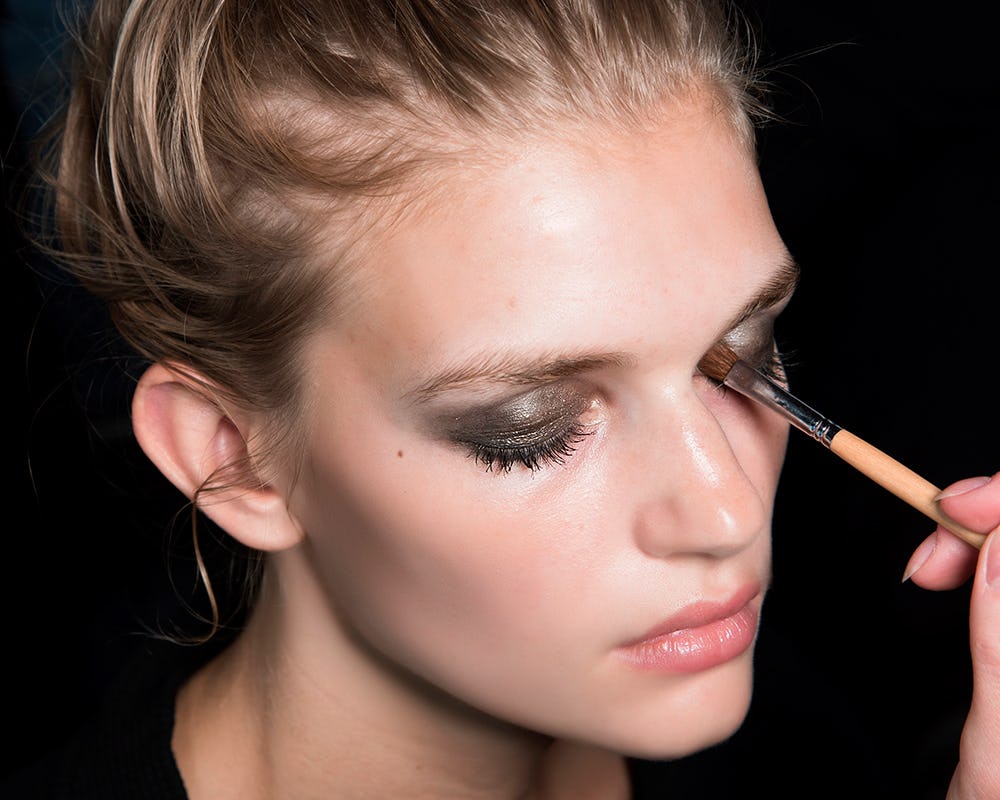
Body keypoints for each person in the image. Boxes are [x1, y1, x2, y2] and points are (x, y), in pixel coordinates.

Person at [4, 1, 997, 797]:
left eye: (739, 355)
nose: (728, 510)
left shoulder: (799, 741)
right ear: (232, 450)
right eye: (534, 429)